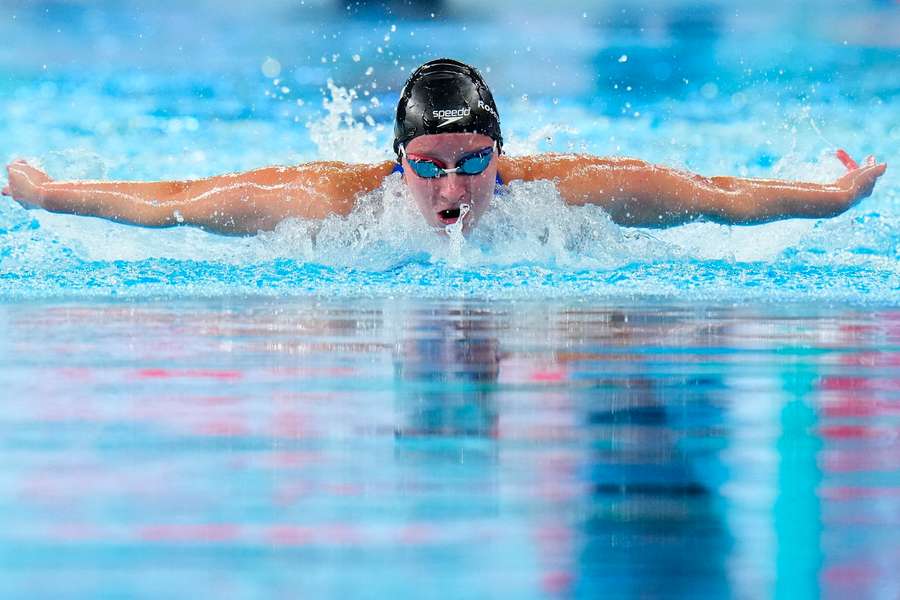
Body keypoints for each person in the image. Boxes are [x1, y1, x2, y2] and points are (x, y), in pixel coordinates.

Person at [2, 58, 887, 236]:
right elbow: (176, 201)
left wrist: (831, 197)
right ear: (399, 165)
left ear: (503, 157)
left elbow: (715, 195)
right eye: (430, 165)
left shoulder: (568, 190)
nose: (454, 186)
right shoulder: (333, 202)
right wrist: (49, 194)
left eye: (473, 162)